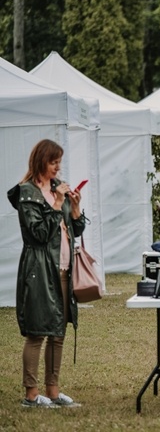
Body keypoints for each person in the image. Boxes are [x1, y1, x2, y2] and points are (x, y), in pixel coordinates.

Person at [7, 139, 86, 408]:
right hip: (38, 270)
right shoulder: (27, 193)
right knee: (37, 332)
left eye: (59, 162)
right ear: (41, 161)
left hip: (63, 269)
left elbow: (74, 230)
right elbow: (39, 234)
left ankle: (53, 392)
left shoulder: (56, 189)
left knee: (58, 332)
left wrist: (74, 210)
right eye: (54, 162)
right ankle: (31, 395)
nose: (58, 167)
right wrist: (56, 205)